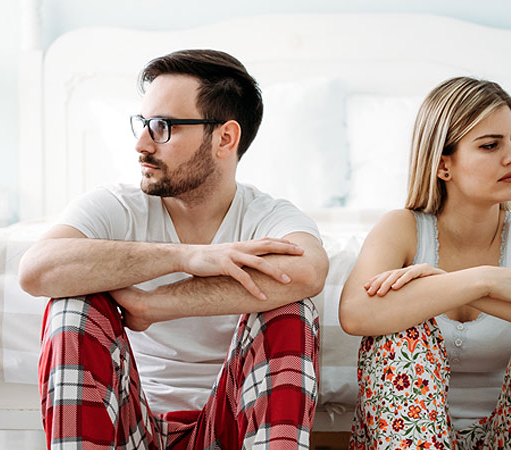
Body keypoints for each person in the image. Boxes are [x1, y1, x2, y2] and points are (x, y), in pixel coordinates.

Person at [18, 49, 329, 450]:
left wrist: (156, 305)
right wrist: (186, 257)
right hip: (128, 425)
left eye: (163, 126)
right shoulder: (116, 205)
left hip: (228, 426)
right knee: (70, 308)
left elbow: (309, 272)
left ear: (225, 138)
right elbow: (36, 270)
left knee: (293, 309)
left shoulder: (268, 216)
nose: (141, 144)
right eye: (143, 124)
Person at [338, 77, 511, 450]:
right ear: (443, 165)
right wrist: (483, 279)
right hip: (411, 439)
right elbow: (355, 315)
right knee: (398, 336)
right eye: (490, 145)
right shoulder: (402, 228)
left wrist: (469, 288)